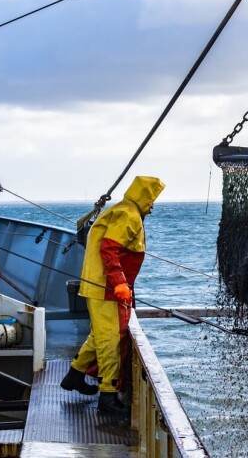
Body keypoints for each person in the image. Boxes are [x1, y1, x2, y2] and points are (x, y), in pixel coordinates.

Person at [60, 176, 165, 415]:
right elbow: (109, 248)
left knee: (100, 334)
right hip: (105, 287)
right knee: (111, 339)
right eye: (151, 200)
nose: (152, 206)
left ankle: (75, 375)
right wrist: (119, 283)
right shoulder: (129, 215)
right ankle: (107, 396)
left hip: (98, 285)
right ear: (143, 197)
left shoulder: (123, 209)